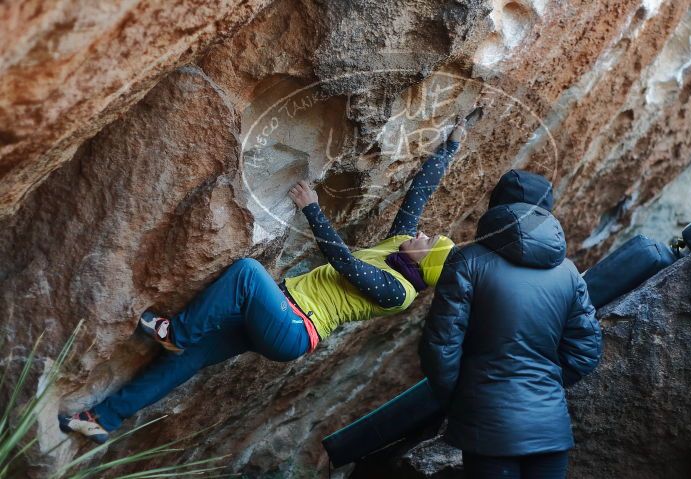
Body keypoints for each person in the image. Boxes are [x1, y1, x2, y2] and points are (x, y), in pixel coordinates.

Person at [58, 117, 472, 444]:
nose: (422, 233)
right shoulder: (400, 246)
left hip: (294, 330)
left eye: (428, 241)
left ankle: (176, 330)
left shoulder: (398, 292)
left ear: (428, 264)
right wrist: (451, 145)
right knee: (189, 360)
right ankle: (102, 419)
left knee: (247, 274)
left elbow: (345, 263)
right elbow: (419, 192)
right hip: (282, 314)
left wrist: (313, 209)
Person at [418, 170, 603, 479]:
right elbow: (586, 350)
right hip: (548, 422)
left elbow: (440, 347)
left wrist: (462, 399)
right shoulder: (568, 273)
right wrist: (543, 384)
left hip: (487, 424)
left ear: (495, 208)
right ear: (547, 212)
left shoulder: (467, 260)